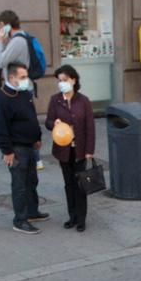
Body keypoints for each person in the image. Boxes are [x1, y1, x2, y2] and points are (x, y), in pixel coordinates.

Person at [0, 60, 46, 234]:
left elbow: (31, 115)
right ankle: (20, 219)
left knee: (32, 180)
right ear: (11, 77)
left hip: (30, 145)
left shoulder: (24, 92)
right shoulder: (2, 98)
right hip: (16, 147)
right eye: (22, 77)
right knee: (20, 184)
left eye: (26, 76)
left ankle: (32, 211)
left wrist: (37, 137)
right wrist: (7, 151)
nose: (26, 79)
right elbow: (1, 127)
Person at [45, 65, 96, 232]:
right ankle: (72, 216)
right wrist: (55, 124)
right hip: (63, 149)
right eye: (59, 81)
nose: (62, 84)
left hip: (80, 149)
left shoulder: (83, 101)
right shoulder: (55, 100)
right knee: (68, 184)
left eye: (65, 80)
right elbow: (48, 122)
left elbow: (90, 127)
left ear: (73, 80)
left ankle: (81, 218)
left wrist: (89, 150)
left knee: (80, 185)